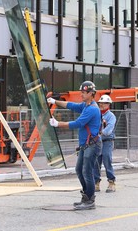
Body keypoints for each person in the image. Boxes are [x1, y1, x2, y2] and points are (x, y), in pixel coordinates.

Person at [47, 81, 102, 210]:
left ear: (91, 93)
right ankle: (86, 197)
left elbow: (77, 123)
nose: (81, 94)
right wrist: (55, 102)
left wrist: (58, 124)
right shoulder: (85, 106)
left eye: (83, 92)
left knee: (87, 172)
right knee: (79, 170)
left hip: (92, 145)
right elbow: (70, 105)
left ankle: (90, 200)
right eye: (81, 92)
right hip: (86, 145)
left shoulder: (92, 109)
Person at [93, 94, 117, 193]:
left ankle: (111, 182)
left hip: (107, 141)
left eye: (105, 103)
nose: (102, 105)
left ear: (109, 104)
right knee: (96, 162)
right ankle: (96, 183)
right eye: (101, 103)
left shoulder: (111, 116)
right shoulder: (96, 114)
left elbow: (108, 130)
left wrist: (98, 132)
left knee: (107, 159)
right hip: (97, 141)